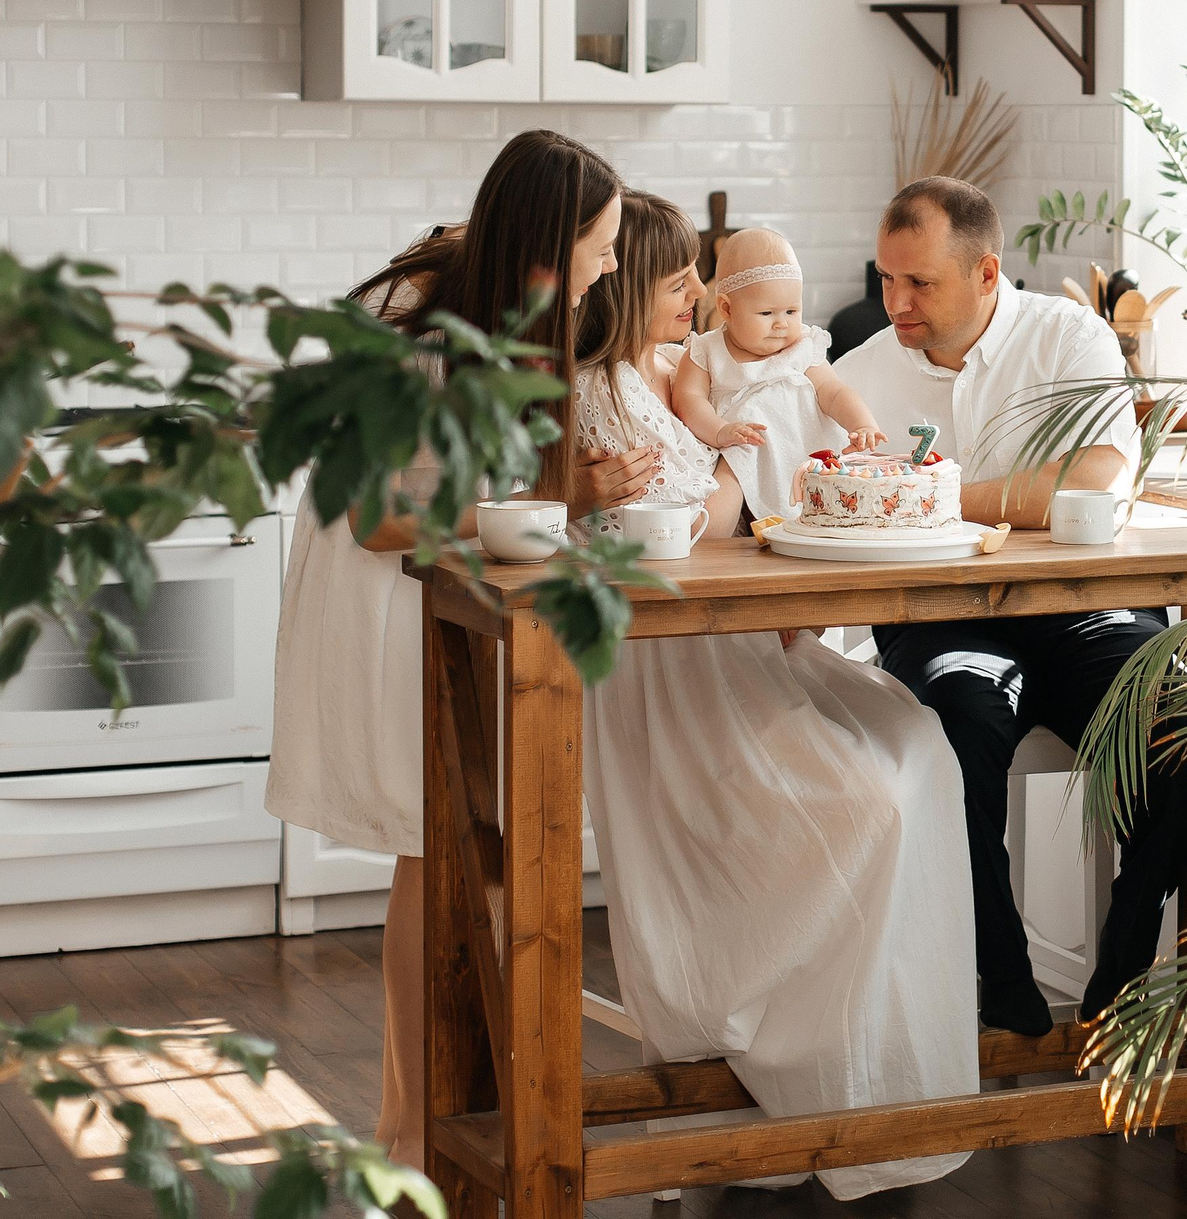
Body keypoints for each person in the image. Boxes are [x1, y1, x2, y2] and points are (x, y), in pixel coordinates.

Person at [573, 193, 978, 1199]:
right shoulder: (589, 392)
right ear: (628, 288)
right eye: (677, 285)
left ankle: (863, 1058)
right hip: (668, 668)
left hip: (736, 638)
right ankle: (783, 1042)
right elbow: (640, 525)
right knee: (864, 802)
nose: (697, 299)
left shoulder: (667, 370)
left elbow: (719, 488)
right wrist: (685, 491)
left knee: (918, 739)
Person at [265, 129, 634, 1165]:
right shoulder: (421, 330)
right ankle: (413, 1124)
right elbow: (385, 519)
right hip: (391, 602)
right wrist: (541, 506)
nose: (608, 268)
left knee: (454, 860)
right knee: (438, 860)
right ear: (547, 247)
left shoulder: (489, 292)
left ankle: (425, 1119)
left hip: (441, 598)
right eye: (601, 248)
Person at [832, 176, 1187, 1036]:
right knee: (960, 720)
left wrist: (925, 495)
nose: (893, 302)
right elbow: (828, 495)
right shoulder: (856, 376)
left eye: (918, 283)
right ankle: (999, 968)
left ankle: (1125, 949)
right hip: (939, 619)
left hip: (1087, 610)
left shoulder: (1068, 336)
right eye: (885, 278)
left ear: (984, 273)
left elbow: (1090, 482)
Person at [670, 225, 888, 522]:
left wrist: (861, 423)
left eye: (791, 311)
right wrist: (720, 430)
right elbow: (688, 399)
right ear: (726, 309)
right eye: (766, 313)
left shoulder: (803, 347)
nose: (781, 324)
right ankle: (711, 543)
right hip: (743, 447)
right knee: (726, 486)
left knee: (843, 490)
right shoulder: (707, 350)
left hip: (809, 451)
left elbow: (834, 392)